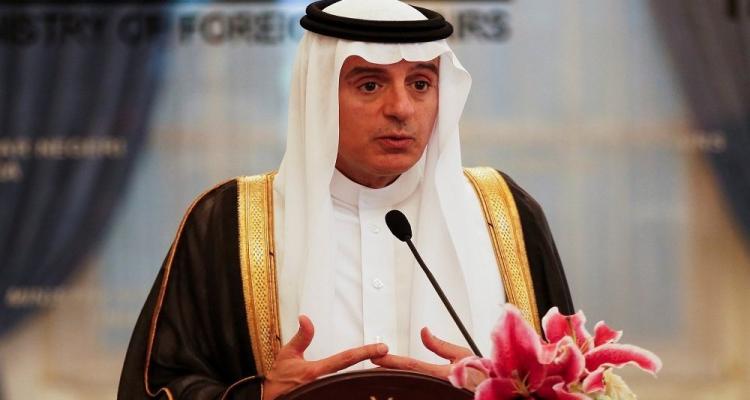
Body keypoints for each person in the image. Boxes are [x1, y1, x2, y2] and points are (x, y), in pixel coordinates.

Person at [118, 0, 574, 399]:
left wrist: (505, 391)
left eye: (420, 84)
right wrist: (260, 397)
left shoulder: (504, 213)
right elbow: (155, 387)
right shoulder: (229, 221)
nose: (401, 109)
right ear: (318, 96)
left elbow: (577, 380)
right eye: (370, 85)